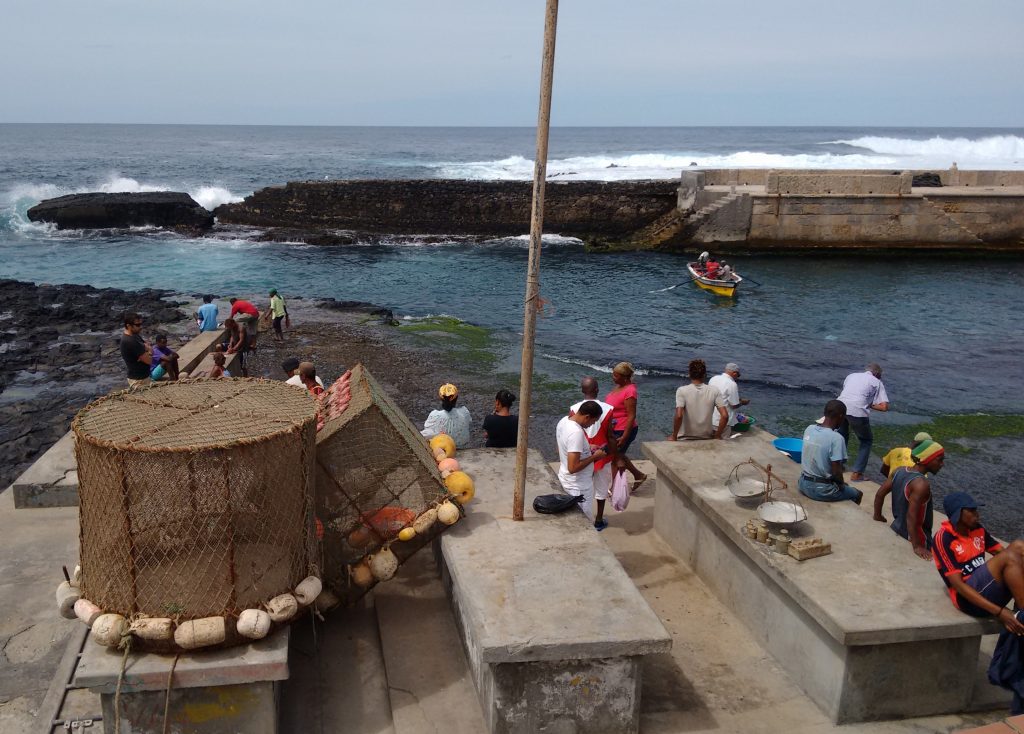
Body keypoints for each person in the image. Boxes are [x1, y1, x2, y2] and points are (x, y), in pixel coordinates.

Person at [933, 492, 1024, 636]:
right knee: (1010, 557)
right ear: (958, 514)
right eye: (972, 511)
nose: (977, 515)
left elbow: (1005, 552)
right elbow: (958, 586)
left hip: (987, 588)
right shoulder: (944, 538)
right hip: (968, 600)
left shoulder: (977, 529)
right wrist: (999, 612)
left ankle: (1020, 609)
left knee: (1019, 547)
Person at [872, 440, 946, 558]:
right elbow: (912, 517)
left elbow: (880, 494)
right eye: (939, 460)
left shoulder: (899, 471)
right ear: (925, 459)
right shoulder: (921, 484)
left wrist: (877, 515)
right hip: (917, 538)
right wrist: (917, 546)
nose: (942, 464)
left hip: (896, 527)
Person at [570, 378, 619, 530]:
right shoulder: (608, 409)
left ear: (582, 390)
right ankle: (598, 519)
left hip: (582, 454)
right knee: (601, 488)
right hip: (602, 455)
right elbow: (610, 436)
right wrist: (616, 456)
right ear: (597, 389)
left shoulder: (574, 408)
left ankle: (581, 517)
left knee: (582, 487)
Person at [797, 399, 863, 504]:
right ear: (840, 417)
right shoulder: (836, 438)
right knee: (857, 493)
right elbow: (836, 471)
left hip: (802, 483)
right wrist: (841, 484)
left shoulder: (809, 429)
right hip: (820, 490)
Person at [555, 401, 607, 523]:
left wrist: (586, 448)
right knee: (584, 521)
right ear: (587, 417)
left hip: (565, 480)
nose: (592, 424)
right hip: (578, 487)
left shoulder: (563, 421)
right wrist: (594, 457)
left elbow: (559, 448)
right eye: (593, 421)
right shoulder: (576, 432)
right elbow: (572, 468)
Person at [836, 363, 890, 481]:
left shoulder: (851, 376)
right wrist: (870, 405)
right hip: (858, 411)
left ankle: (839, 465)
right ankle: (857, 473)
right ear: (877, 374)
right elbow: (884, 407)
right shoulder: (877, 382)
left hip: (839, 407)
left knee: (842, 436)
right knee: (866, 440)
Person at [603, 363, 647, 487]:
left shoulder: (630, 391)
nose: (613, 377)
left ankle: (615, 488)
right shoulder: (618, 387)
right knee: (618, 455)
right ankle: (638, 475)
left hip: (623, 430)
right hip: (614, 429)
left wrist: (625, 436)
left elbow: (631, 415)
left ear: (625, 377)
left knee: (615, 458)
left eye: (616, 375)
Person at [670, 359, 728, 441]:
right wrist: (717, 435)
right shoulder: (715, 391)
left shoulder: (682, 390)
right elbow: (725, 416)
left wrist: (674, 436)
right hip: (706, 437)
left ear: (689, 374)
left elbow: (679, 416)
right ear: (704, 375)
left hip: (685, 438)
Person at [422, 383, 472, 448]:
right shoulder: (465, 413)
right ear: (456, 398)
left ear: (441, 398)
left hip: (442, 449)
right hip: (463, 447)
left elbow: (427, 429)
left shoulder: (434, 415)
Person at [708, 362, 750, 434]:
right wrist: (742, 402)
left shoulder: (713, 378)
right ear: (734, 373)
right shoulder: (732, 384)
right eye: (738, 375)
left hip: (709, 418)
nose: (737, 377)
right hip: (722, 421)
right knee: (722, 441)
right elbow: (734, 405)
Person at [119, 311, 152, 387]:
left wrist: (145, 351)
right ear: (129, 326)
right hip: (139, 381)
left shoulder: (135, 336)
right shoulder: (130, 341)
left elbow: (147, 346)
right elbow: (149, 360)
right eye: (138, 325)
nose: (141, 327)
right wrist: (149, 351)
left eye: (141, 324)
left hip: (144, 377)